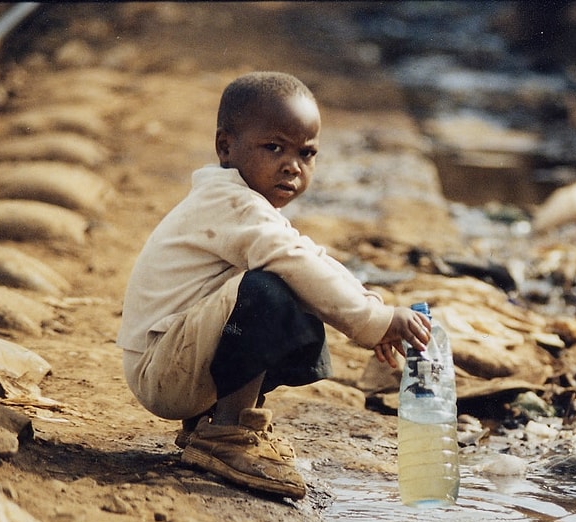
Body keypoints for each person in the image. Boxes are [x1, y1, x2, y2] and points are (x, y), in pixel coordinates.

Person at [116, 71, 432, 500]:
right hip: (162, 370)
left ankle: (213, 422)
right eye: (274, 148)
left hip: (177, 362)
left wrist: (374, 308)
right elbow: (297, 262)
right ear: (225, 147)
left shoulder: (247, 205)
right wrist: (374, 322)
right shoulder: (228, 203)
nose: (292, 166)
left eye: (306, 153)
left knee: (296, 289)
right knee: (270, 290)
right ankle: (228, 433)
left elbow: (310, 257)